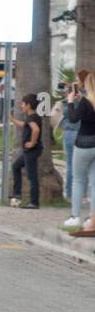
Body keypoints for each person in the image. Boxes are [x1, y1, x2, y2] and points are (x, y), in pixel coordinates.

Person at [63, 69, 95, 235]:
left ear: (84, 84)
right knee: (94, 181)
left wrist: (70, 101)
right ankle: (92, 218)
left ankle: (75, 216)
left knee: (78, 180)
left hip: (83, 144)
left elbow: (73, 118)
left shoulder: (84, 103)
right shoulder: (89, 102)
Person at [8, 93, 43, 210]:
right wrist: (13, 120)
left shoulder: (32, 117)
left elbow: (36, 130)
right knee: (16, 166)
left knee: (32, 176)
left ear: (28, 105)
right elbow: (26, 125)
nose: (21, 106)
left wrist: (32, 142)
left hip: (31, 150)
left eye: (23, 104)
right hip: (29, 151)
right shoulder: (32, 117)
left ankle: (34, 202)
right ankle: (17, 193)